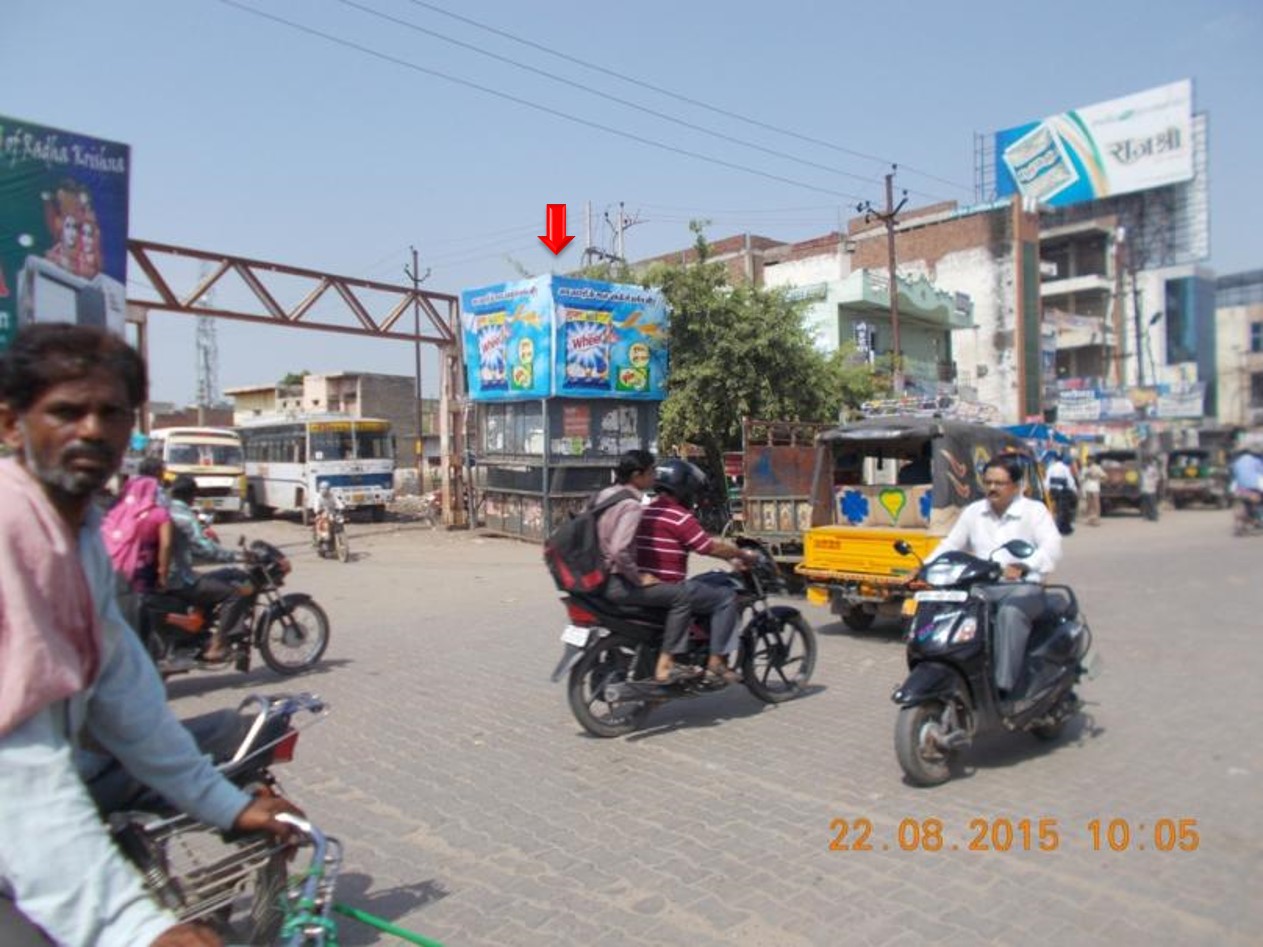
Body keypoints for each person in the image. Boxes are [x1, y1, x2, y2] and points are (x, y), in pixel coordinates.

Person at [0, 323, 298, 947]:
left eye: (111, 413)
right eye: (66, 411)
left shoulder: (80, 533)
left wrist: (224, 804)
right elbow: (17, 770)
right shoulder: (11, 529)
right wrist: (133, 928)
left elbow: (126, 697)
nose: (92, 430)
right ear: (10, 424)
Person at [928, 454, 1063, 705]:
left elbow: (1052, 548)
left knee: (1010, 614)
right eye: (988, 482)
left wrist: (1024, 566)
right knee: (949, 609)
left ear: (1016, 485)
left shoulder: (1034, 512)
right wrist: (925, 567)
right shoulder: (974, 512)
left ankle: (1005, 688)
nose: (992, 488)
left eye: (999, 483)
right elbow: (951, 543)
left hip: (1025, 589)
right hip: (983, 587)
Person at [635, 458, 758, 686]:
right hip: (670, 587)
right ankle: (717, 661)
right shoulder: (680, 517)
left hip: (647, 584)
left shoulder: (647, 511)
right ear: (683, 489)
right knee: (726, 597)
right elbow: (707, 546)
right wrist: (740, 555)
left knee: (708, 580)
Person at [595, 450, 696, 683]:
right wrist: (638, 578)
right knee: (681, 597)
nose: (654, 477)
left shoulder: (605, 495)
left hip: (596, 579)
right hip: (617, 582)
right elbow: (620, 549)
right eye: (651, 472)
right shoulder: (631, 505)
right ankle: (666, 664)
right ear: (637, 475)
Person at [164, 474, 246, 663]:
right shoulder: (185, 515)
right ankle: (217, 644)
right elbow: (204, 547)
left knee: (215, 579)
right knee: (236, 593)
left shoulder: (165, 509)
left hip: (166, 575)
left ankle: (202, 629)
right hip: (179, 578)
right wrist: (234, 556)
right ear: (192, 496)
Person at [1042, 451, 1078, 535]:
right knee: (1064, 509)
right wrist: (1074, 489)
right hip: (1062, 491)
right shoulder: (1065, 468)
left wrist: (1046, 490)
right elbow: (1070, 481)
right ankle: (1062, 526)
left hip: (1053, 491)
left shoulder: (1051, 467)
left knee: (1053, 509)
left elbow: (1046, 481)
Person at [311, 480, 345, 549]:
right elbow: (316, 508)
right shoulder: (318, 497)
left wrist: (341, 507)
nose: (324, 490)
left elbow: (338, 502)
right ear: (320, 489)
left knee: (339, 522)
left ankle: (340, 535)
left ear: (329, 489)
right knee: (321, 524)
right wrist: (318, 511)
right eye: (323, 488)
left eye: (326, 488)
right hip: (322, 514)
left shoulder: (332, 495)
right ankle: (321, 540)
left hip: (332, 514)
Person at [1080, 455, 1105, 526]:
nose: (1089, 461)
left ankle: (1097, 518)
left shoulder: (1097, 468)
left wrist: (1096, 477)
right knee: (1088, 504)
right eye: (1088, 460)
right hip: (1087, 488)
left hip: (1095, 487)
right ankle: (1088, 518)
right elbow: (1081, 479)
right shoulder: (1084, 468)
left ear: (1093, 460)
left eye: (1090, 460)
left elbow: (1104, 476)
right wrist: (1085, 476)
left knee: (1096, 503)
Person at [1139, 457, 1161, 522]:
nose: (1144, 465)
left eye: (1145, 463)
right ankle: (1147, 516)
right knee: (1145, 504)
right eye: (1143, 463)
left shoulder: (1152, 470)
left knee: (1152, 504)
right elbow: (1140, 480)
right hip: (1143, 490)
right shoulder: (1141, 470)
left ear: (1148, 464)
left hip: (1151, 489)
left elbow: (1157, 477)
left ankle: (1154, 516)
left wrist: (1154, 483)